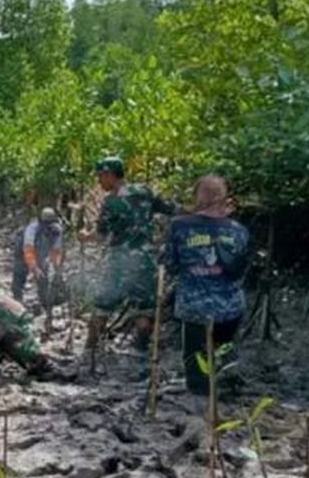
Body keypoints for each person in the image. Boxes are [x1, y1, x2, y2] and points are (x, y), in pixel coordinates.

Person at [162, 175, 250, 396]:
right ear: (224, 198)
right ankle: (226, 394)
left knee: (196, 362)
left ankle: (200, 400)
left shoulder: (179, 227)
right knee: (223, 355)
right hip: (229, 308)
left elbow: (170, 265)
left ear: (197, 197)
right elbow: (241, 269)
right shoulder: (239, 230)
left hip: (195, 308)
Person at [87, 156, 177, 358]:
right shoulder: (144, 192)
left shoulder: (112, 202)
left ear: (110, 175)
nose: (99, 182)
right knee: (144, 309)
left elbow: (101, 234)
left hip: (120, 261)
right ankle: (140, 354)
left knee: (102, 305)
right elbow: (172, 209)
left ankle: (89, 353)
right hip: (146, 261)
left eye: (101, 177)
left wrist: (84, 236)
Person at [12, 208, 65, 307]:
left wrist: (57, 269)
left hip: (41, 252)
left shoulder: (57, 230)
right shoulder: (32, 229)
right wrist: (35, 268)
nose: (48, 227)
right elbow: (28, 250)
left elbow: (56, 251)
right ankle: (17, 298)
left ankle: (44, 300)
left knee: (43, 275)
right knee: (20, 272)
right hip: (23, 251)